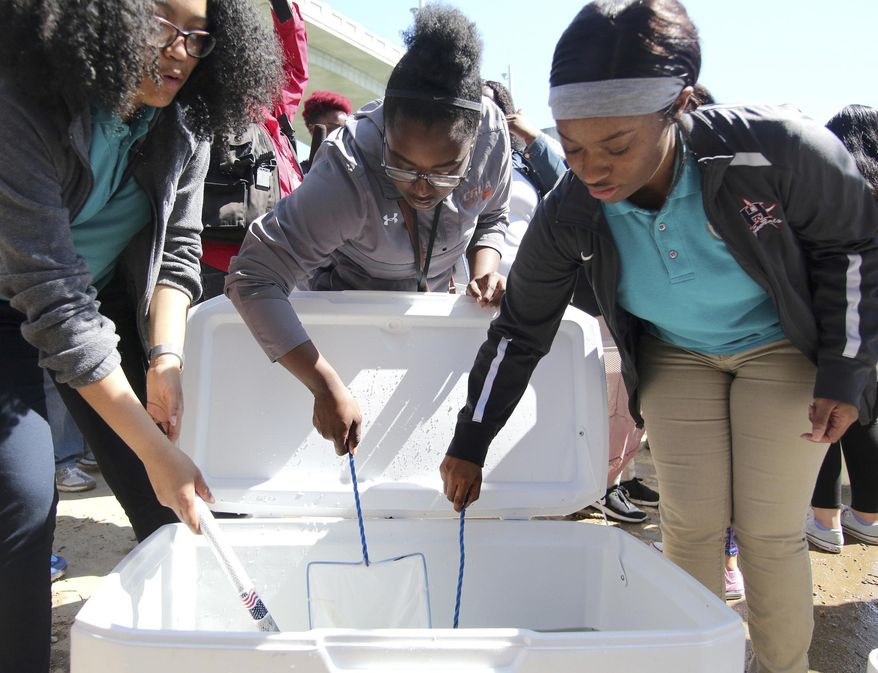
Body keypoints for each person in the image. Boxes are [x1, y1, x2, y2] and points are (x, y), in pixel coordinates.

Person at [439, 2, 878, 672]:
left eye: (616, 145)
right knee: (690, 525)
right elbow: (521, 328)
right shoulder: (572, 209)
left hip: (779, 347)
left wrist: (845, 371)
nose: (592, 170)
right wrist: (471, 439)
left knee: (768, 532)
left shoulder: (778, 149)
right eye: (574, 146)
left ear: (683, 105)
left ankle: (780, 666)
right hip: (676, 353)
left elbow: (854, 245)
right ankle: (695, 662)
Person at [0, 2, 281, 671]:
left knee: (179, 497)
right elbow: (54, 299)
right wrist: (152, 446)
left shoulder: (186, 120)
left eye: (197, 37)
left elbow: (179, 250)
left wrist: (166, 358)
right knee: (22, 496)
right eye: (161, 27)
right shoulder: (21, 105)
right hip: (19, 297)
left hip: (107, 298)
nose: (181, 52)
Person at [227, 5, 512, 457]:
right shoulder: (346, 173)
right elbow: (252, 276)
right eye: (402, 165)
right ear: (384, 137)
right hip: (342, 330)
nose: (422, 188)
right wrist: (324, 385)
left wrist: (485, 266)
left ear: (474, 146)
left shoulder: (494, 137)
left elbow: (493, 216)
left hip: (431, 323)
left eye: (445, 171)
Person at [199, 0, 309, 300]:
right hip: (211, 266)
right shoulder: (197, 101)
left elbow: (295, 66)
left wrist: (282, 7)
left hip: (277, 265)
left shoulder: (274, 106)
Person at [805, 104, 878, 553]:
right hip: (873, 328)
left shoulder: (830, 192)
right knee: (867, 414)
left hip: (829, 321)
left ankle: (825, 522)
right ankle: (868, 518)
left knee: (822, 417)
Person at [480, 80, 566, 276]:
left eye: (492, 108)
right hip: (468, 290)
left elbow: (567, 189)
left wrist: (532, 137)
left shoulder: (525, 164)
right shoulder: (455, 164)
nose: (485, 116)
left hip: (527, 285)